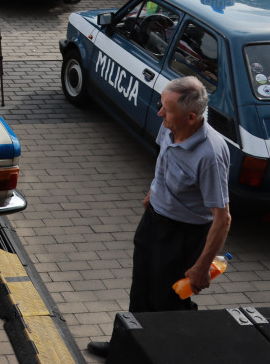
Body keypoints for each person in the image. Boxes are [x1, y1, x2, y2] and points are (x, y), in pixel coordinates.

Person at [87, 76, 230, 359]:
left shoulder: (210, 155)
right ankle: (127, 347)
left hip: (183, 236)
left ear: (191, 117)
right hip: (154, 220)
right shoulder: (170, 126)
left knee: (169, 301)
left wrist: (202, 266)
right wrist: (154, 192)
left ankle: (167, 354)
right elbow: (164, 159)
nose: (159, 113)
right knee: (140, 287)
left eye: (166, 108)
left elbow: (223, 218)